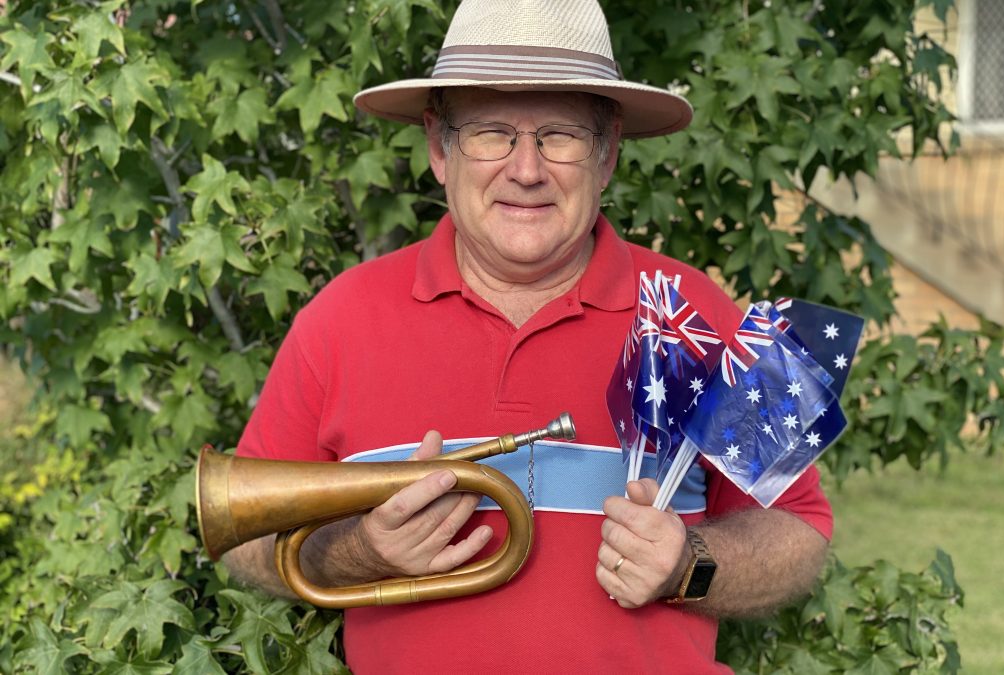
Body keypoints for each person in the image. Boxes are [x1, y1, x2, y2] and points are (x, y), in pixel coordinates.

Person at [224, 1, 832, 672]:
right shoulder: (338, 318)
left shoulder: (701, 309)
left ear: (606, 155)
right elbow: (244, 534)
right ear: (438, 147)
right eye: (490, 133)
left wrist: (688, 565)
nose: (526, 169)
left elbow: (802, 533)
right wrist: (360, 552)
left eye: (560, 135)